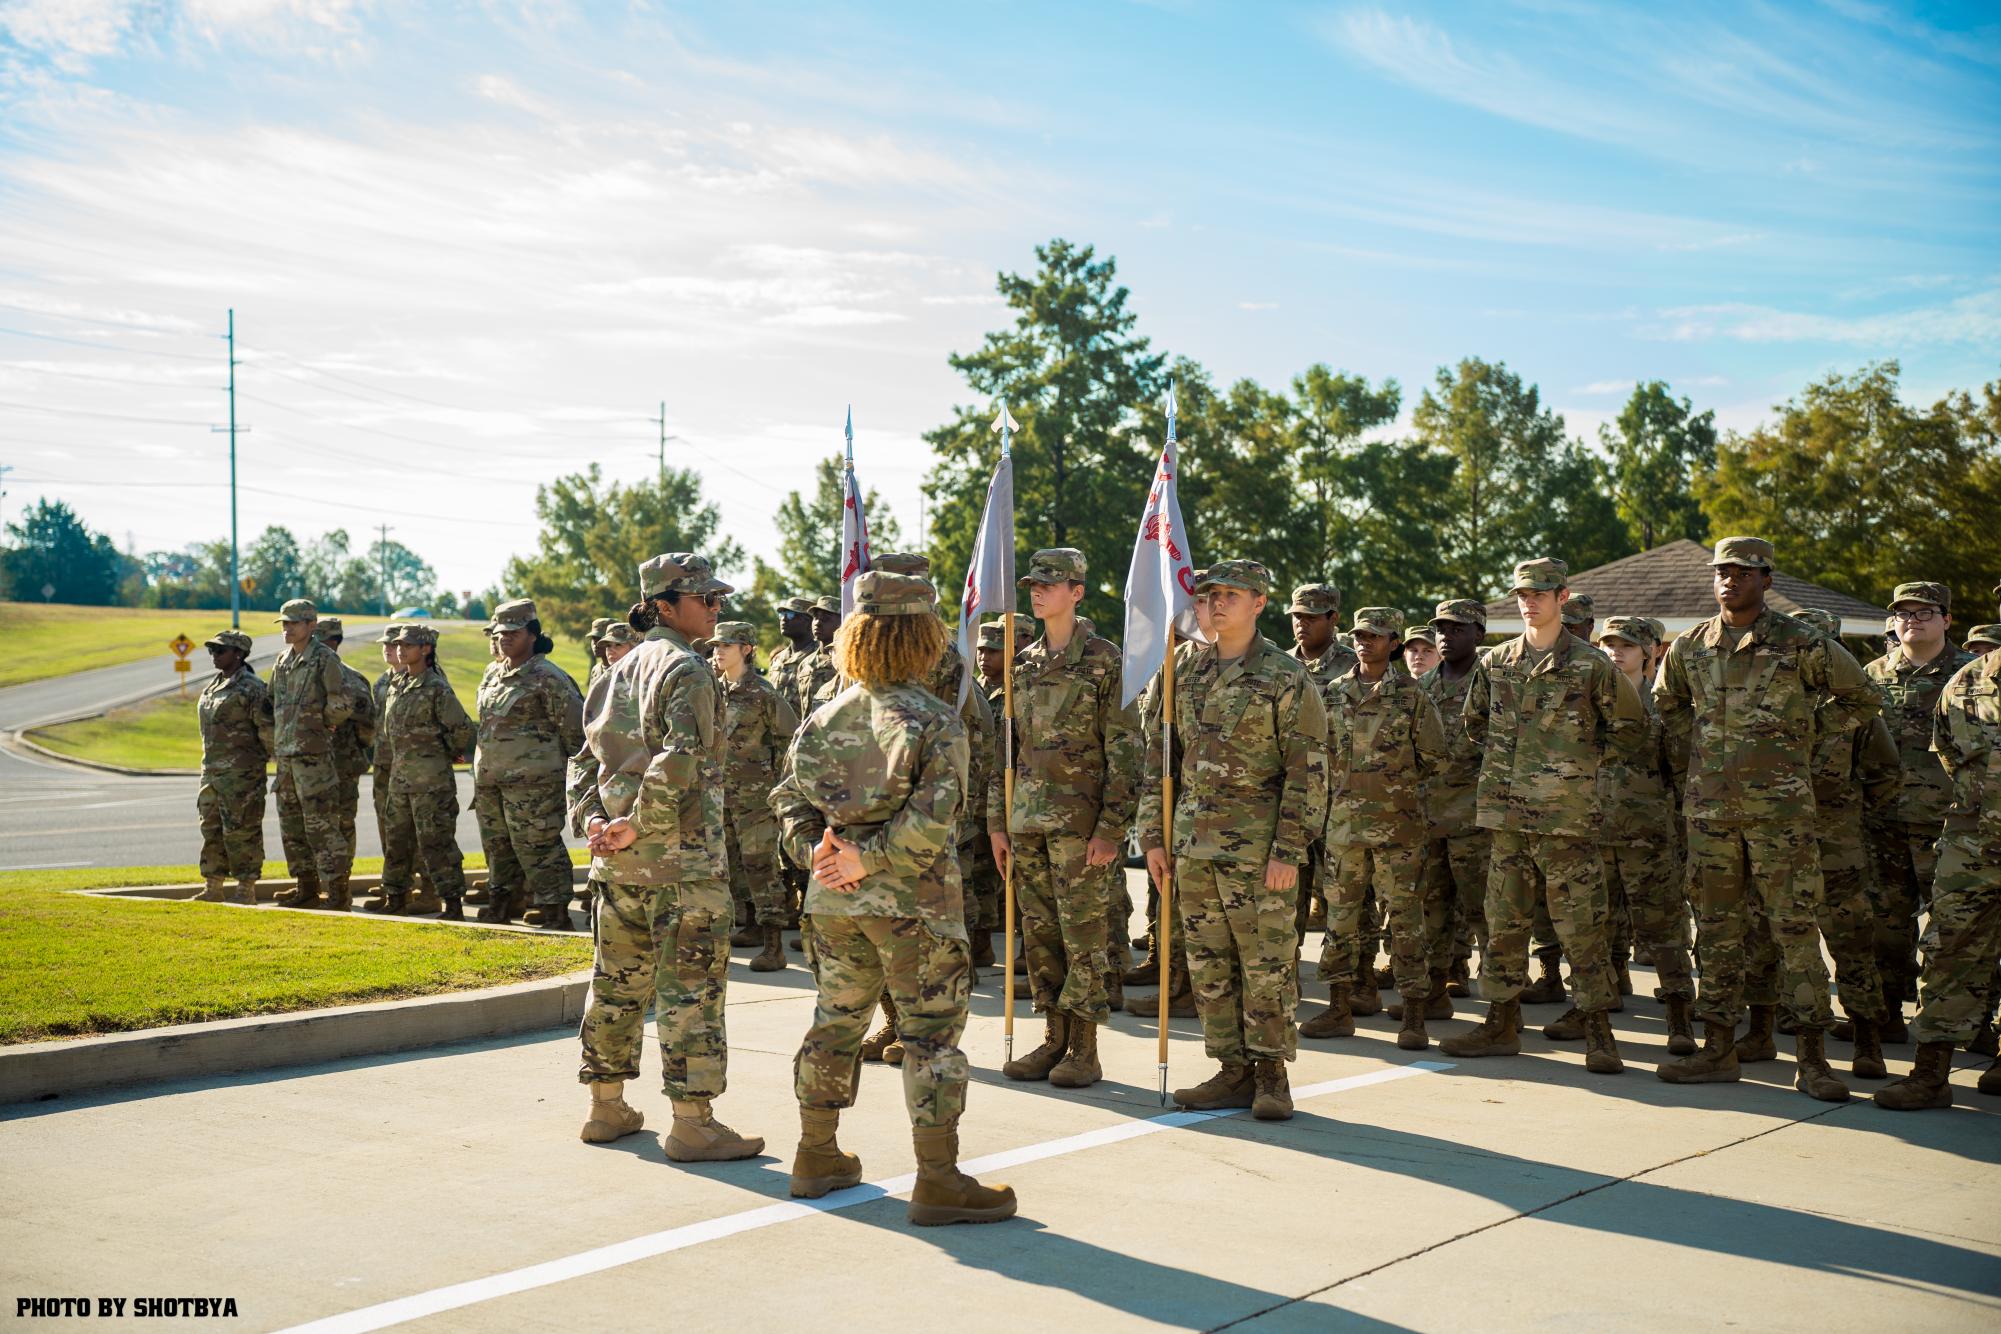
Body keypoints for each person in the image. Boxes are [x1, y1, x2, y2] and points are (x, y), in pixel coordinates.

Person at [766, 570, 1015, 1222]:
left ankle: (815, 1154)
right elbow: (932, 824)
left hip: (833, 906)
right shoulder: (935, 721)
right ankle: (938, 1180)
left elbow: (787, 807)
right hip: (915, 906)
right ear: (924, 638)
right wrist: (865, 860)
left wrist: (820, 859)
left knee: (834, 1024)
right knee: (931, 1038)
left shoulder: (823, 716)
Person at [1653, 537, 1879, 1101]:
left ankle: (1813, 1058)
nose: (1729, 580)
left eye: (1742, 572)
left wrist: (1800, 735)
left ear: (1766, 580)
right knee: (1719, 932)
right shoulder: (1689, 646)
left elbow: (1862, 698)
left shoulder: (1802, 641)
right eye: (1721, 572)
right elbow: (1668, 705)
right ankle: (1720, 1047)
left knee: (1795, 931)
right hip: (1710, 813)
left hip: (1781, 814)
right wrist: (1702, 744)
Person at [571, 552, 763, 1162]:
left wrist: (597, 822)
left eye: (716, 598)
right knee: (691, 990)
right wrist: (634, 825)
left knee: (617, 984)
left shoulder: (616, 671)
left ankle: (606, 1108)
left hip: (621, 863)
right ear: (664, 605)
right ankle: (693, 1122)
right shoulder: (688, 669)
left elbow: (584, 765)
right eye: (705, 599)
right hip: (680, 864)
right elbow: (678, 759)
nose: (716, 608)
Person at [1141, 560, 1327, 1119]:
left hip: (1258, 849)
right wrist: (1153, 835)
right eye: (1210, 595)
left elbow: (1308, 769)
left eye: (1231, 594)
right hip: (1192, 847)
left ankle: (1272, 1075)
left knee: (1266, 963)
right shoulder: (1181, 670)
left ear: (1259, 603)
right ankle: (1231, 1067)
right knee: (1208, 963)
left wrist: (1289, 850)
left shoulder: (1284, 676)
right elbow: (1157, 758)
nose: (1217, 603)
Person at [1440, 558, 1639, 1076]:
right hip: (1507, 820)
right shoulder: (1498, 661)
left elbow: (1629, 732)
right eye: (1523, 594)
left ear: (1562, 597)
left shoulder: (1592, 665)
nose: (1529, 602)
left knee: (1582, 928)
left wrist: (1577, 776)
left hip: (1567, 822)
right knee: (1504, 926)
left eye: (1541, 594)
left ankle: (1598, 1030)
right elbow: (1475, 723)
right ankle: (1501, 1023)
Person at [990, 549, 1138, 1090]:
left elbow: (1125, 747)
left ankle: (1085, 1048)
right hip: (1027, 819)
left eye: (1051, 584)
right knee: (1040, 935)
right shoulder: (1022, 661)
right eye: (1033, 583)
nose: (1038, 591)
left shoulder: (1103, 659)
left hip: (1081, 825)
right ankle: (1053, 1036)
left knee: (1084, 938)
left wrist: (1111, 827)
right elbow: (1007, 749)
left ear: (1077, 591)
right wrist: (996, 821)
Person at [1751, 607, 1897, 1077]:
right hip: (1773, 844)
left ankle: (1866, 1039)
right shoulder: (1763, 708)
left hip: (1836, 847)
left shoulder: (1857, 716)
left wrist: (1846, 815)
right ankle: (1761, 1029)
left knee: (1851, 942)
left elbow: (1885, 774)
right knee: (1767, 939)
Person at [1876, 581, 2001, 1109]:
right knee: (1948, 951)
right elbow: (1949, 753)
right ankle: (1931, 1073)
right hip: (1973, 842)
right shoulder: (1970, 681)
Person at [1300, 607, 1448, 1050]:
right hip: (1343, 830)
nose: (1365, 643)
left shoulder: (1412, 695)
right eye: (1360, 635)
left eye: (1376, 636)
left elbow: (1436, 756)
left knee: (1404, 922)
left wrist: (1396, 785)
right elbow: (1315, 754)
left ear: (1394, 642)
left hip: (1398, 831)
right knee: (1340, 921)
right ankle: (1338, 1006)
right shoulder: (1333, 692)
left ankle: (1415, 1014)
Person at [1866, 581, 1976, 1041]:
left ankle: (1959, 1024)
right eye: (1904, 613)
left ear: (1947, 620)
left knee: (1955, 931)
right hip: (1882, 823)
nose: (1912, 620)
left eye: (1925, 612)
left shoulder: (1972, 675)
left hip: (1950, 824)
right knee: (1886, 927)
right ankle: (1887, 1012)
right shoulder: (1870, 676)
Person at [1593, 616, 1696, 1055]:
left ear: (1653, 650)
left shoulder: (1666, 704)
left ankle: (1679, 1015)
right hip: (1594, 829)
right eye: (1610, 644)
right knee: (1594, 927)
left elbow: (1682, 773)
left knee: (1663, 929)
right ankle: (1594, 1012)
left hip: (1650, 836)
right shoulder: (1587, 701)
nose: (1617, 652)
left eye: (1628, 645)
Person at [474, 599, 584, 929]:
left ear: (532, 635)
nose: (505, 637)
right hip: (491, 779)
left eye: (514, 631)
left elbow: (575, 732)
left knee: (538, 844)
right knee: (497, 845)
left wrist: (577, 779)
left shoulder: (548, 677)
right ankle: (502, 902)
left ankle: (555, 909)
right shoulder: (493, 673)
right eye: (500, 632)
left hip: (535, 782)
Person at [710, 620, 800, 970]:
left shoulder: (764, 694)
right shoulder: (711, 690)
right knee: (731, 864)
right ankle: (749, 925)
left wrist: (779, 789)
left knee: (760, 865)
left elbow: (788, 742)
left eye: (726, 646)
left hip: (756, 798)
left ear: (746, 649)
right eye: (715, 645)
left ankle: (774, 945)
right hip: (719, 795)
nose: (717, 651)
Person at [369, 624, 475, 918]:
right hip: (399, 780)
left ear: (425, 649)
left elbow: (462, 729)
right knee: (397, 842)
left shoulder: (436, 687)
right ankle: (396, 897)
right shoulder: (396, 685)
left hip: (431, 781)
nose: (400, 649)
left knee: (436, 842)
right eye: (398, 644)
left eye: (408, 645)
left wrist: (443, 751)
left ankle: (452, 902)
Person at [1417, 599, 1491, 997]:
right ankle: (1435, 989)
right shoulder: (1424, 686)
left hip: (1475, 819)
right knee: (1433, 909)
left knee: (1483, 911)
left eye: (1457, 629)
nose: (1445, 637)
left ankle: (1500, 1000)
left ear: (1479, 634)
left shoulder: (1493, 681)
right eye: (1441, 630)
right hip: (1431, 818)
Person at [267, 599, 356, 910]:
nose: (287, 629)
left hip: (314, 759)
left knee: (322, 828)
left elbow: (343, 703)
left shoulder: (324, 660)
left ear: (311, 625)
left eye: (293, 623)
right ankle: (305, 887)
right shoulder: (282, 661)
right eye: (284, 624)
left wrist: (322, 725)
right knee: (292, 827)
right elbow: (272, 704)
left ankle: (337, 893)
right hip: (287, 761)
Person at [1287, 583, 1358, 948]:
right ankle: (1289, 970)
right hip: (1294, 796)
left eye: (1312, 617)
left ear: (1333, 618)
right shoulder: (1279, 665)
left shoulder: (1356, 665)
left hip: (1341, 796)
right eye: (1297, 616)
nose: (1302, 624)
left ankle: (1353, 983)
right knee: (1289, 890)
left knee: (1345, 895)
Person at [196, 628, 272, 905]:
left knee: (242, 832)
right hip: (212, 773)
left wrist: (260, 766)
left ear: (238, 654)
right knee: (211, 829)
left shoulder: (252, 688)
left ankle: (245, 890)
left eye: (220, 650)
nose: (214, 655)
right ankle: (212, 887)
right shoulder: (212, 686)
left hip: (242, 776)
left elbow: (267, 731)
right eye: (212, 650)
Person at [315, 616, 378, 898]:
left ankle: (340, 883)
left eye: (318, 639)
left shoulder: (351, 678)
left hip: (341, 764)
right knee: (311, 824)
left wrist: (352, 749)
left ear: (333, 642)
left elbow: (368, 724)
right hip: (309, 764)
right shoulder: (302, 674)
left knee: (340, 824)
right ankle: (314, 882)